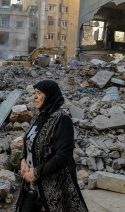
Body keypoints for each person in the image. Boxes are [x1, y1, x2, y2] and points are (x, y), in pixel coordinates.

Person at [14, 80, 88, 212]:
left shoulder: (62, 119)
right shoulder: (39, 116)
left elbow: (63, 156)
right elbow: (30, 143)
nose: (35, 96)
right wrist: (23, 160)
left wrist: (37, 172)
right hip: (32, 185)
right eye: (35, 93)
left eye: (39, 93)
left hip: (54, 188)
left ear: (50, 95)